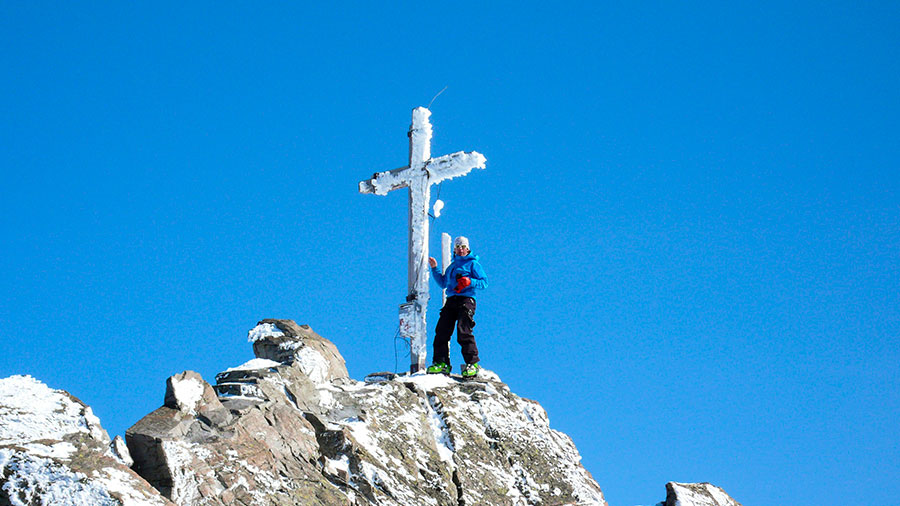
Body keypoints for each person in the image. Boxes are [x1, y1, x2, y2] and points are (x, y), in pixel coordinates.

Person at [426, 236, 488, 378]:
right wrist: (435, 268)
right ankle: (441, 363)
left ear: (468, 249)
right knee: (442, 331)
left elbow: (484, 282)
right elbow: (443, 283)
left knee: (463, 330)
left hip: (466, 300)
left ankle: (472, 363)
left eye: (463, 247)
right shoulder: (452, 267)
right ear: (454, 249)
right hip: (451, 300)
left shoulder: (473, 264)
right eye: (458, 247)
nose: (461, 250)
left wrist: (469, 281)